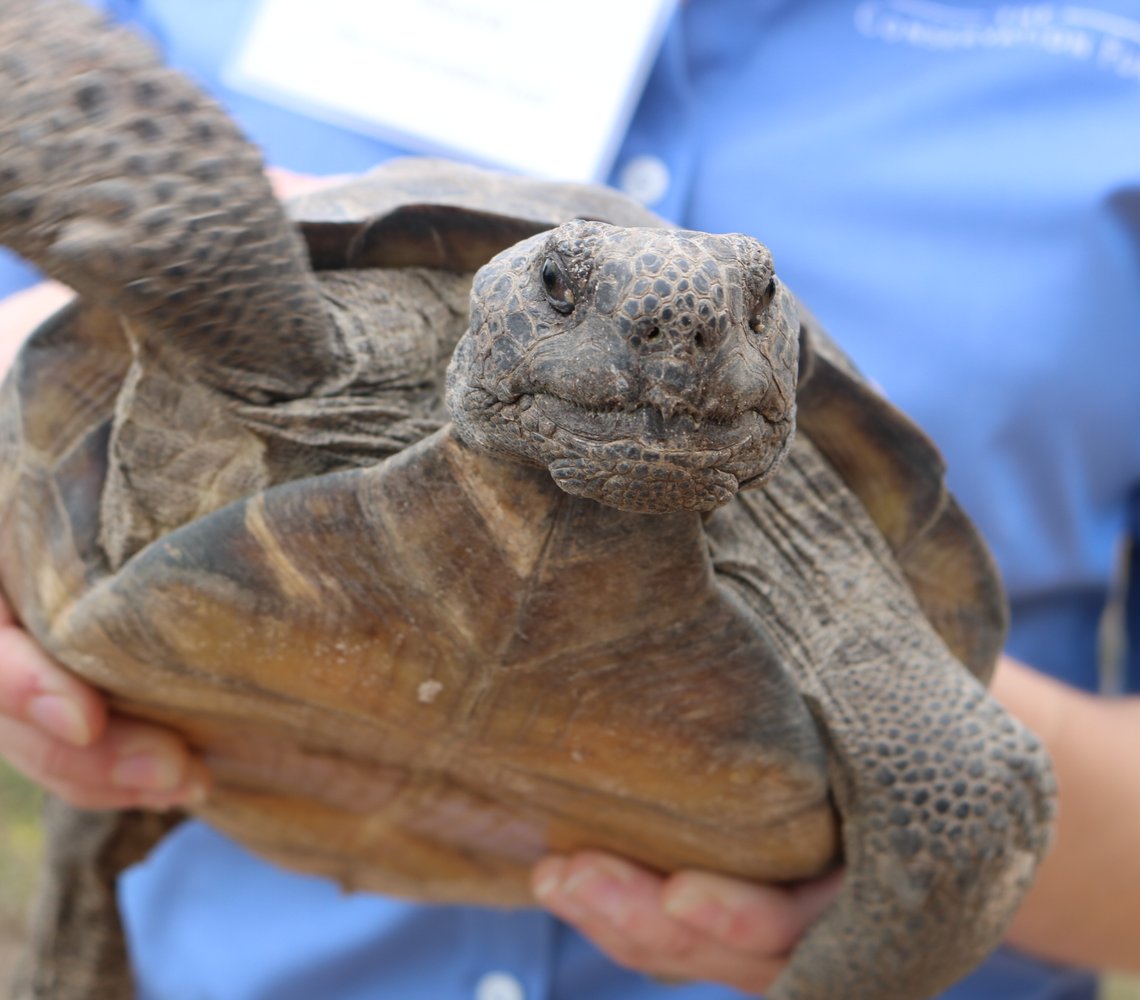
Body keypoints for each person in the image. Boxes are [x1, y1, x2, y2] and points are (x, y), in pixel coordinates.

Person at [2, 1, 1139, 997]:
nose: (672, 341)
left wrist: (870, 946)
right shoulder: (284, 318)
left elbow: (972, 784)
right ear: (496, 309)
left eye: (735, 317)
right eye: (565, 295)